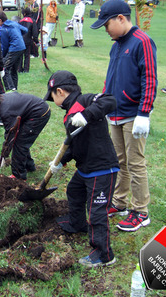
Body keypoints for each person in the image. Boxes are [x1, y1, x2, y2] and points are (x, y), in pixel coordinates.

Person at [90, 0, 158, 232]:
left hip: (133, 115)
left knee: (135, 162)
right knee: (119, 161)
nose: (106, 31)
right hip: (115, 115)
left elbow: (149, 78)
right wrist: (104, 97)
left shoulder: (142, 42)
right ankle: (119, 202)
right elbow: (112, 77)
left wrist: (144, 113)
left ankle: (140, 211)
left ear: (120, 18)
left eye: (107, 25)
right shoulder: (116, 44)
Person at [45, 70, 119, 267]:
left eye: (52, 96)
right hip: (86, 168)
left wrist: (86, 115)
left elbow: (110, 100)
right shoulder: (68, 115)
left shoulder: (86, 101)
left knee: (96, 211)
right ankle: (77, 224)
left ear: (59, 91)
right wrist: (60, 162)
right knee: (74, 191)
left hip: (102, 168)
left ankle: (104, 254)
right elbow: (74, 144)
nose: (53, 99)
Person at [0, 87, 50, 180]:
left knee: (19, 144)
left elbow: (10, 136)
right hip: (30, 113)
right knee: (20, 140)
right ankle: (29, 166)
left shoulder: (6, 111)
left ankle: (18, 177)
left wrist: (3, 156)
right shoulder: (1, 102)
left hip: (39, 113)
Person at [0, 10, 27, 91]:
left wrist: (3, 56)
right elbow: (25, 30)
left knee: (4, 68)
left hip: (14, 49)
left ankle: (10, 88)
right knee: (14, 69)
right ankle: (15, 87)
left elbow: (5, 46)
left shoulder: (4, 29)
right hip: (22, 47)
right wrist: (18, 35)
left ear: (0, 20)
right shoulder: (14, 23)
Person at [18, 7, 39, 73]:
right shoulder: (32, 21)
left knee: (20, 56)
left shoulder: (20, 21)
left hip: (20, 40)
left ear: (24, 13)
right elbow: (35, 33)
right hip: (28, 41)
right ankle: (26, 70)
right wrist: (36, 41)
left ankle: (19, 69)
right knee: (27, 55)